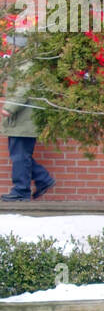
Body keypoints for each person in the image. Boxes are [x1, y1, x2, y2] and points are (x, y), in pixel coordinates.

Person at [1, 37, 55, 202]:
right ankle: (42, 179)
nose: (10, 47)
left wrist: (8, 108)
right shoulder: (22, 64)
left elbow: (23, 91)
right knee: (21, 155)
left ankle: (21, 191)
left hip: (25, 120)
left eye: (12, 44)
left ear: (20, 46)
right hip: (22, 121)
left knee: (20, 156)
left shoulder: (27, 66)